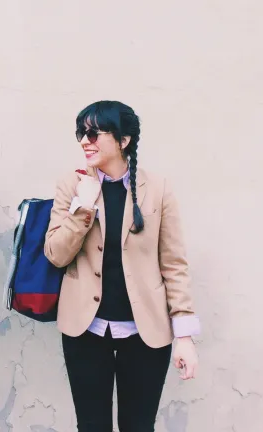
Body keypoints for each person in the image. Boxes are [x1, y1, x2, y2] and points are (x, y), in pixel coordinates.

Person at [44, 100, 200, 431]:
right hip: (86, 330)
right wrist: (83, 206)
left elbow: (174, 264)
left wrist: (184, 334)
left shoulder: (157, 189)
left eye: (93, 133)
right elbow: (56, 253)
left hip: (144, 333)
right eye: (80, 133)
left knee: (139, 426)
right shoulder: (72, 184)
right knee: (91, 426)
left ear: (123, 140)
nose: (84, 141)